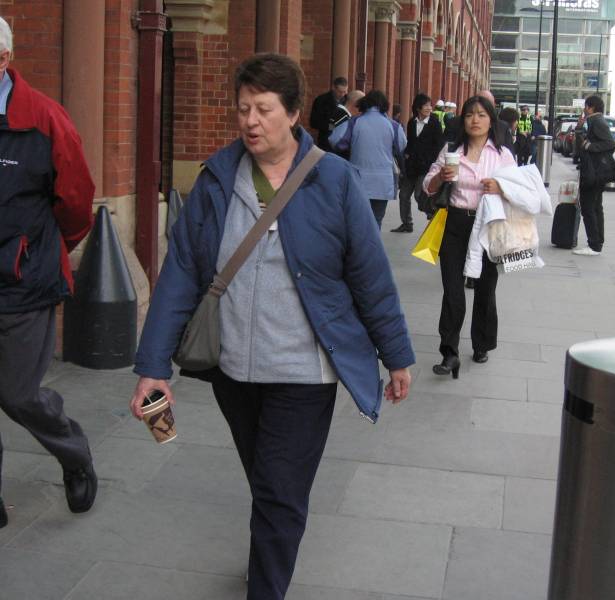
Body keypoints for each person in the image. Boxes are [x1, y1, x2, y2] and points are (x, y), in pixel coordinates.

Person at [129, 54, 414, 600]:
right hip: (233, 367)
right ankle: (269, 556)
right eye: (243, 110)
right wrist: (152, 367)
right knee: (266, 480)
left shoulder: (334, 179)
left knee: (281, 491)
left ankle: (266, 587)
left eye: (263, 109)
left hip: (304, 372)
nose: (250, 121)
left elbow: (370, 275)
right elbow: (183, 272)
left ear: (293, 113)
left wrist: (395, 354)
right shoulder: (217, 178)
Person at [0, 16, 98, 528]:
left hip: (23, 282)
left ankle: (74, 451)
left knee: (18, 394)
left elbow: (77, 202)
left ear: (4, 59)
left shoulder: (44, 118)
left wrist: (38, 250)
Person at [423, 95, 516, 377]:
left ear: (491, 121)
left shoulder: (502, 155)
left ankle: (481, 344)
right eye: (469, 115)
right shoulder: (452, 150)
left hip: (489, 226)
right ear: (463, 120)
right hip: (455, 224)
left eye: (481, 115)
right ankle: (449, 352)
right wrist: (441, 177)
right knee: (453, 290)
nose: (475, 120)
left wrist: (500, 188)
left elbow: (519, 191)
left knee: (485, 289)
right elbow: (428, 185)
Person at [329, 89, 407, 229]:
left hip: (358, 179)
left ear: (364, 104)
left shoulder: (354, 122)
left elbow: (336, 141)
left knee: (357, 220)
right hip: (383, 182)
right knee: (376, 220)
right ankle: (373, 247)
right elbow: (401, 144)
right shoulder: (393, 126)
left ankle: (357, 248)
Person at [391, 93, 444, 233]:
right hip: (412, 166)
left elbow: (439, 146)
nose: (429, 108)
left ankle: (432, 215)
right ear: (418, 107)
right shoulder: (412, 122)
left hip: (426, 166)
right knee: (403, 195)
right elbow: (410, 143)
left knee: (419, 195)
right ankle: (407, 223)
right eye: (426, 105)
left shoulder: (435, 123)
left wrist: (432, 161)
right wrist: (406, 155)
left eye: (430, 105)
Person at [575, 95, 615, 256]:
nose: (584, 110)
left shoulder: (598, 122)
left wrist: (589, 145)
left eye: (585, 106)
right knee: (596, 207)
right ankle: (597, 243)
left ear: (590, 107)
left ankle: (594, 244)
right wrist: (579, 129)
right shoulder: (593, 121)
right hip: (595, 172)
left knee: (589, 207)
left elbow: (609, 144)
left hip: (594, 173)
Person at [309, 76, 347, 150]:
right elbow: (314, 122)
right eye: (340, 92)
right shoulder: (321, 100)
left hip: (343, 143)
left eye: (344, 92)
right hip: (326, 142)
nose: (342, 95)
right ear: (333, 88)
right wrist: (332, 126)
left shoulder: (347, 101)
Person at [328, 89, 364, 160]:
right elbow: (337, 139)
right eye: (363, 104)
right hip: (339, 157)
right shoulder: (345, 118)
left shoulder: (335, 110)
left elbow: (330, 128)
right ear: (356, 103)